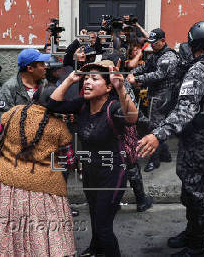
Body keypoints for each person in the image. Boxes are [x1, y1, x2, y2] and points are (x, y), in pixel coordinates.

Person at [137, 21, 204, 257]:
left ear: (193, 43)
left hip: (201, 139)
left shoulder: (201, 69)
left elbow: (186, 110)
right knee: (191, 189)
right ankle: (191, 234)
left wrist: (157, 135)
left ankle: (198, 246)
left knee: (194, 193)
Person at [48, 60, 138, 257]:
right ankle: (95, 250)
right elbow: (52, 104)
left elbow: (132, 117)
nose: (87, 82)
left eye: (94, 78)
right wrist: (70, 80)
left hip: (113, 173)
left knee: (103, 225)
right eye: (86, 78)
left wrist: (121, 87)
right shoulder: (82, 104)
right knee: (96, 216)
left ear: (107, 87)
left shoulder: (113, 107)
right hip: (90, 172)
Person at [0, 85, 76, 256]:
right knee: (42, 229)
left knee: (8, 227)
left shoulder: (12, 113)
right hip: (45, 189)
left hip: (6, 184)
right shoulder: (60, 128)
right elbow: (69, 161)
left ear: (34, 98)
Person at [128, 28, 179, 172]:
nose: (152, 46)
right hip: (154, 93)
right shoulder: (156, 54)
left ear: (163, 41)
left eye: (154, 43)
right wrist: (132, 73)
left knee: (154, 126)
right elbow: (145, 67)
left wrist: (136, 79)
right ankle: (165, 154)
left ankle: (154, 160)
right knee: (158, 124)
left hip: (164, 95)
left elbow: (158, 74)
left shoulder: (169, 56)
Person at [0, 48, 49, 128]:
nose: (45, 67)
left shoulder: (45, 84)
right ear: (30, 69)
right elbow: (1, 122)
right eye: (42, 64)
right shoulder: (9, 88)